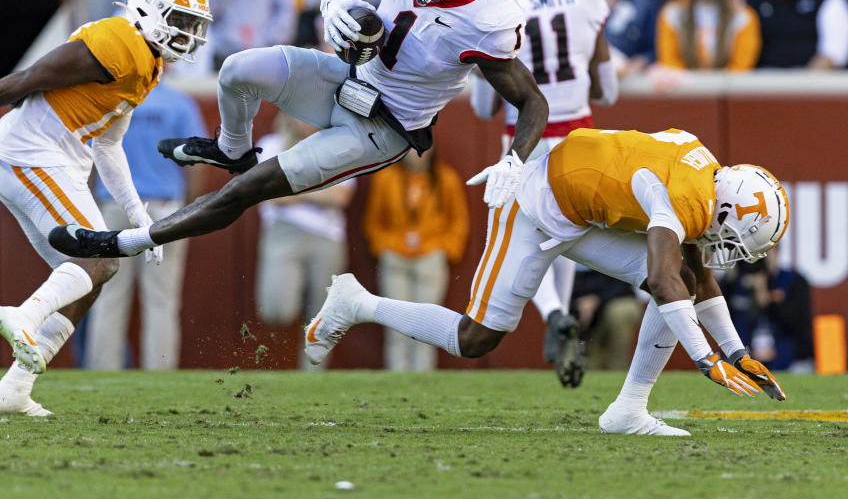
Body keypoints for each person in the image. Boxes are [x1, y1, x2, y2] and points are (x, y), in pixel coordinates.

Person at [48, 0, 548, 295]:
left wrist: (514, 161)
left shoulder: (488, 21)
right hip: (345, 77)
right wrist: (330, 2)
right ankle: (232, 148)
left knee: (249, 190)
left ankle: (125, 241)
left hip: (382, 128)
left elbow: (532, 101)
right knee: (238, 70)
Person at [305, 128, 789, 436]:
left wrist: (736, 352)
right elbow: (666, 283)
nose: (732, 248)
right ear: (725, 208)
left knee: (680, 274)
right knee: (476, 338)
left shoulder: (703, 173)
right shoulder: (685, 199)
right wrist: (706, 360)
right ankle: (356, 302)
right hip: (534, 207)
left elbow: (695, 278)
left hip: (580, 207)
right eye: (737, 236)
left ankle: (627, 410)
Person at [0, 0, 212, 414]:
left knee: (95, 275)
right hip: (31, 155)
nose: (187, 33)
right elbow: (29, 78)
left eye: (192, 24)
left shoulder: (145, 63)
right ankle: (26, 317)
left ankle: (14, 389)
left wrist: (139, 216)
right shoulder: (120, 42)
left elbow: (109, 146)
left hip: (51, 159)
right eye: (179, 19)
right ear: (149, 11)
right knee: (98, 262)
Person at [469, 0, 618, 386]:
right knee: (568, 239)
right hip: (582, 139)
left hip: (526, 139)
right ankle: (563, 314)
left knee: (523, 239)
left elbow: (482, 105)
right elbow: (608, 90)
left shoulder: (497, 5)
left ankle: (553, 312)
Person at [83, 82, 208, 370]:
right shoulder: (179, 103)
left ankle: (103, 372)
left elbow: (89, 161)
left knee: (110, 296)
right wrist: (187, 212)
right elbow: (197, 163)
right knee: (162, 300)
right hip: (165, 209)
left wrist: (92, 207)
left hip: (114, 206)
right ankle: (160, 371)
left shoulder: (111, 101)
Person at [254, 113, 355, 370]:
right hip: (283, 233)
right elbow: (271, 195)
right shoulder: (271, 145)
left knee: (323, 315)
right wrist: (320, 188)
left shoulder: (337, 147)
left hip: (327, 237)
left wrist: (295, 188)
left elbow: (341, 197)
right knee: (278, 308)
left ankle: (312, 376)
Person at [362, 148, 468, 371]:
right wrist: (386, 246)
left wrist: (441, 249)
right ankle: (397, 382)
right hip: (395, 259)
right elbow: (373, 223)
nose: (416, 154)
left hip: (430, 258)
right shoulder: (386, 178)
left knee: (426, 328)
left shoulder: (445, 178)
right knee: (396, 325)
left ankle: (423, 384)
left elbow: (458, 223)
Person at [656, 0, 761, 71]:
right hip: (685, 86)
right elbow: (669, 61)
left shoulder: (742, 16)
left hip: (727, 86)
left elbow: (741, 66)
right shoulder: (671, 13)